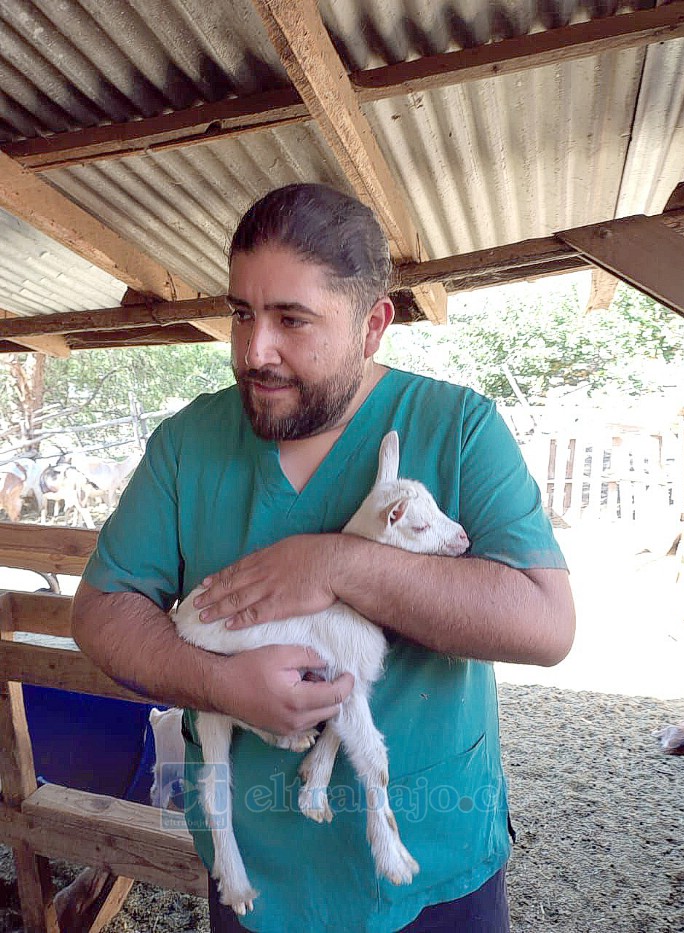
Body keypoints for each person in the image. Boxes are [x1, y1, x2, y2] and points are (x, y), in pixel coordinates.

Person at [71, 183, 575, 932]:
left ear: (373, 326)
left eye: (291, 319)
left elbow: (545, 623)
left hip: (432, 863)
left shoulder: (459, 425)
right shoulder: (186, 446)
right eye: (242, 312)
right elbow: (99, 611)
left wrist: (339, 565)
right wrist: (216, 681)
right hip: (256, 876)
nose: (253, 350)